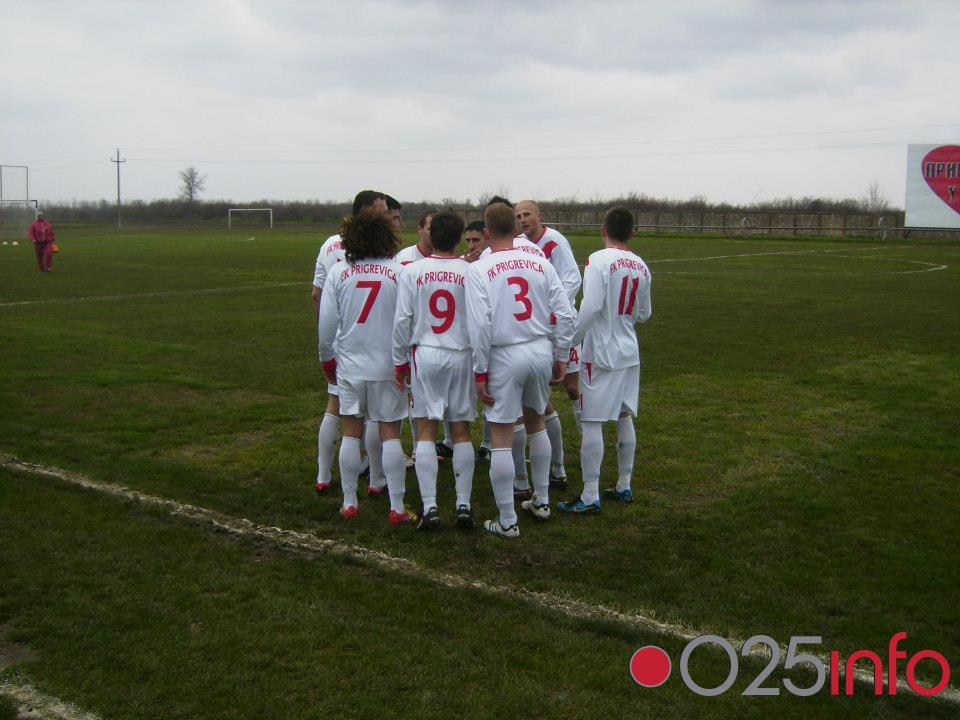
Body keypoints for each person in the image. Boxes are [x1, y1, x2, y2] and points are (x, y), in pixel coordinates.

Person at [466, 202, 575, 538]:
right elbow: (566, 313)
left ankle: (507, 520)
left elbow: (479, 326)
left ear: (486, 233)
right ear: (515, 229)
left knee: (501, 434)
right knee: (536, 422)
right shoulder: (539, 260)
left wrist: (479, 371)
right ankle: (541, 500)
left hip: (504, 354)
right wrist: (561, 354)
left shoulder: (479, 268)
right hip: (539, 348)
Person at [318, 209, 417, 525]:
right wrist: (404, 360)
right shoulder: (400, 272)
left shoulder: (338, 272)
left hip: (351, 365)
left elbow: (326, 323)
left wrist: (327, 359)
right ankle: (396, 507)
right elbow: (407, 320)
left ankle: (350, 503)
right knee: (390, 434)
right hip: (389, 366)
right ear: (387, 237)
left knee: (351, 432)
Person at [557, 206, 652, 514]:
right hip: (629, 350)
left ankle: (589, 495)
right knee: (624, 415)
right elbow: (644, 313)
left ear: (603, 230)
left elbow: (592, 306)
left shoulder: (598, 260)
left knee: (591, 421)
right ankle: (624, 485)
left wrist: (569, 341)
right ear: (632, 233)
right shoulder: (641, 265)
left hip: (600, 352)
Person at [393, 210, 476, 530]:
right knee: (461, 430)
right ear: (458, 238)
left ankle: (430, 507)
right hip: (461, 354)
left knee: (426, 428)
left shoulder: (412, 271)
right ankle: (463, 504)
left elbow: (402, 320)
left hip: (426, 354)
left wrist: (399, 360)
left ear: (431, 235)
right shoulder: (471, 272)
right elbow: (481, 320)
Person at [311, 190, 387, 495]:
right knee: (372, 414)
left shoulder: (329, 244)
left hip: (340, 339)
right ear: (366, 212)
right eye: (381, 210)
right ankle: (375, 475)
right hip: (368, 340)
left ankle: (323, 474)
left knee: (337, 408)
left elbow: (316, 294)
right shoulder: (378, 248)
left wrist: (326, 338)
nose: (386, 215)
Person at [515, 199, 582, 488]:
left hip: (561, 325)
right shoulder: (518, 245)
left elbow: (572, 280)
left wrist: (554, 310)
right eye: (518, 216)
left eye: (527, 214)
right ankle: (557, 465)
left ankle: (586, 441)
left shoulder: (554, 241)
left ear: (539, 216)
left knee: (572, 387)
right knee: (540, 400)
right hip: (538, 330)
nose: (523, 220)